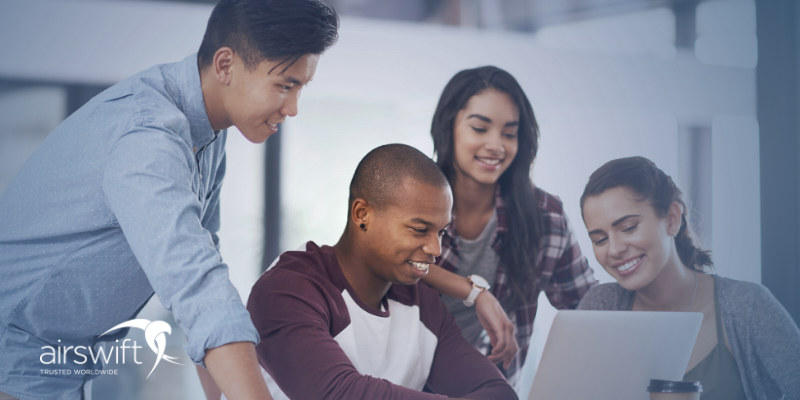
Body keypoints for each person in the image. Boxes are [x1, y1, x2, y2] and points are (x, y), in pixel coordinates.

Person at [0, 1, 338, 399]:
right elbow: (197, 288)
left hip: (59, 369)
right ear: (225, 65)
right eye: (284, 85)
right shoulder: (149, 136)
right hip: (15, 364)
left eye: (300, 87)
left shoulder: (208, 133)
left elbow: (203, 275)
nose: (293, 108)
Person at [244, 144, 518, 400]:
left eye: (441, 232)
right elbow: (339, 394)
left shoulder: (423, 305)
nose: (436, 249)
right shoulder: (287, 290)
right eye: (420, 230)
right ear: (362, 214)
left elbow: (498, 392)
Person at [420, 66, 597, 379]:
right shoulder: (413, 196)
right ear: (449, 127)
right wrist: (475, 292)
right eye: (479, 128)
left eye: (509, 133)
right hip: (400, 383)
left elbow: (589, 309)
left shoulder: (545, 217)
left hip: (487, 388)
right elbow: (381, 263)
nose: (496, 145)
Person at [577, 156, 800, 400]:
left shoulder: (747, 307)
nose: (614, 249)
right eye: (600, 239)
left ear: (672, 218)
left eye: (629, 227)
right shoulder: (600, 307)